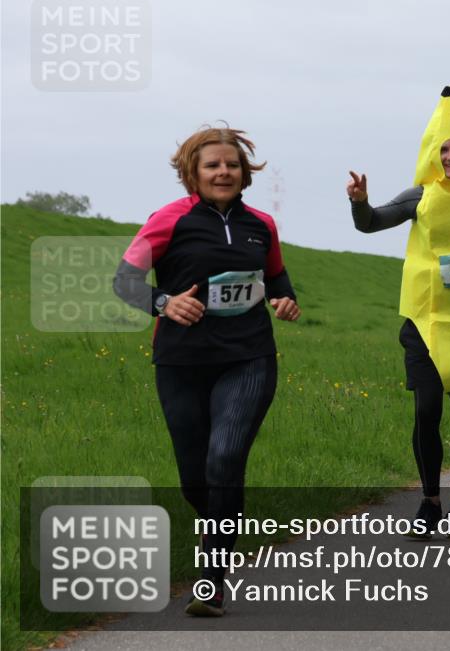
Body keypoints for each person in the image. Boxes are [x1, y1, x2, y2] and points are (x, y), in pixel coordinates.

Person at [114, 126, 300, 617]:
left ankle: (211, 579)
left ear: (245, 173)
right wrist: (164, 302)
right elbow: (124, 280)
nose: (224, 172)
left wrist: (285, 299)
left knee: (225, 459)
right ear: (192, 172)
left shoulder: (262, 224)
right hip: (181, 363)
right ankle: (223, 521)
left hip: (248, 358)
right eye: (213, 165)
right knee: (196, 481)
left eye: (232, 165)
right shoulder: (169, 220)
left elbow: (276, 276)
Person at [349, 87, 450, 537]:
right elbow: (370, 222)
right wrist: (360, 200)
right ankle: (428, 501)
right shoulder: (420, 194)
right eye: (444, 149)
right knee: (426, 412)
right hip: (425, 322)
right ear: (433, 154)